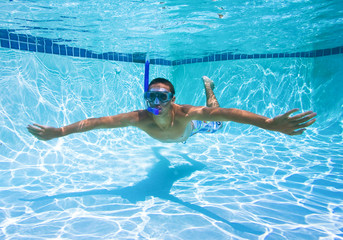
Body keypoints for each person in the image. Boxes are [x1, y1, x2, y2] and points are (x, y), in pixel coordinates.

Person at [27, 76, 317, 143]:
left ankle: (209, 90)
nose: (156, 104)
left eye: (162, 97)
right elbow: (99, 122)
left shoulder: (186, 113)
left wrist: (269, 123)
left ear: (172, 98)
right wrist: (61, 131)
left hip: (194, 130)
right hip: (176, 139)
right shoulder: (139, 118)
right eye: (150, 98)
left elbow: (229, 113)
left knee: (216, 120)